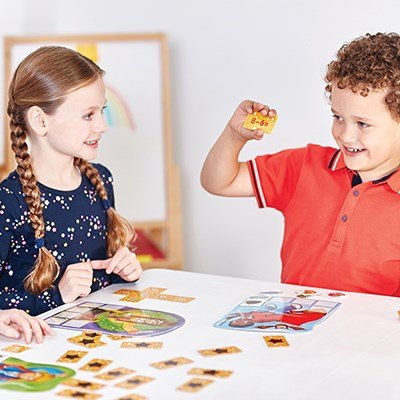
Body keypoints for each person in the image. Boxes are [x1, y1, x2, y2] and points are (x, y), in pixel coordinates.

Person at [201, 32, 400, 297]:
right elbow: (218, 182)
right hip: (293, 319)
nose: (345, 135)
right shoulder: (303, 166)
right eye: (338, 117)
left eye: (362, 124)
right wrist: (234, 136)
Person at [0, 46, 143, 316]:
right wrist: (58, 295)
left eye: (102, 111)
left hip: (96, 334)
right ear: (40, 121)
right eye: (88, 115)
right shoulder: (8, 201)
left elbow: (100, 278)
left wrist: (123, 272)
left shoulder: (100, 180)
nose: (102, 126)